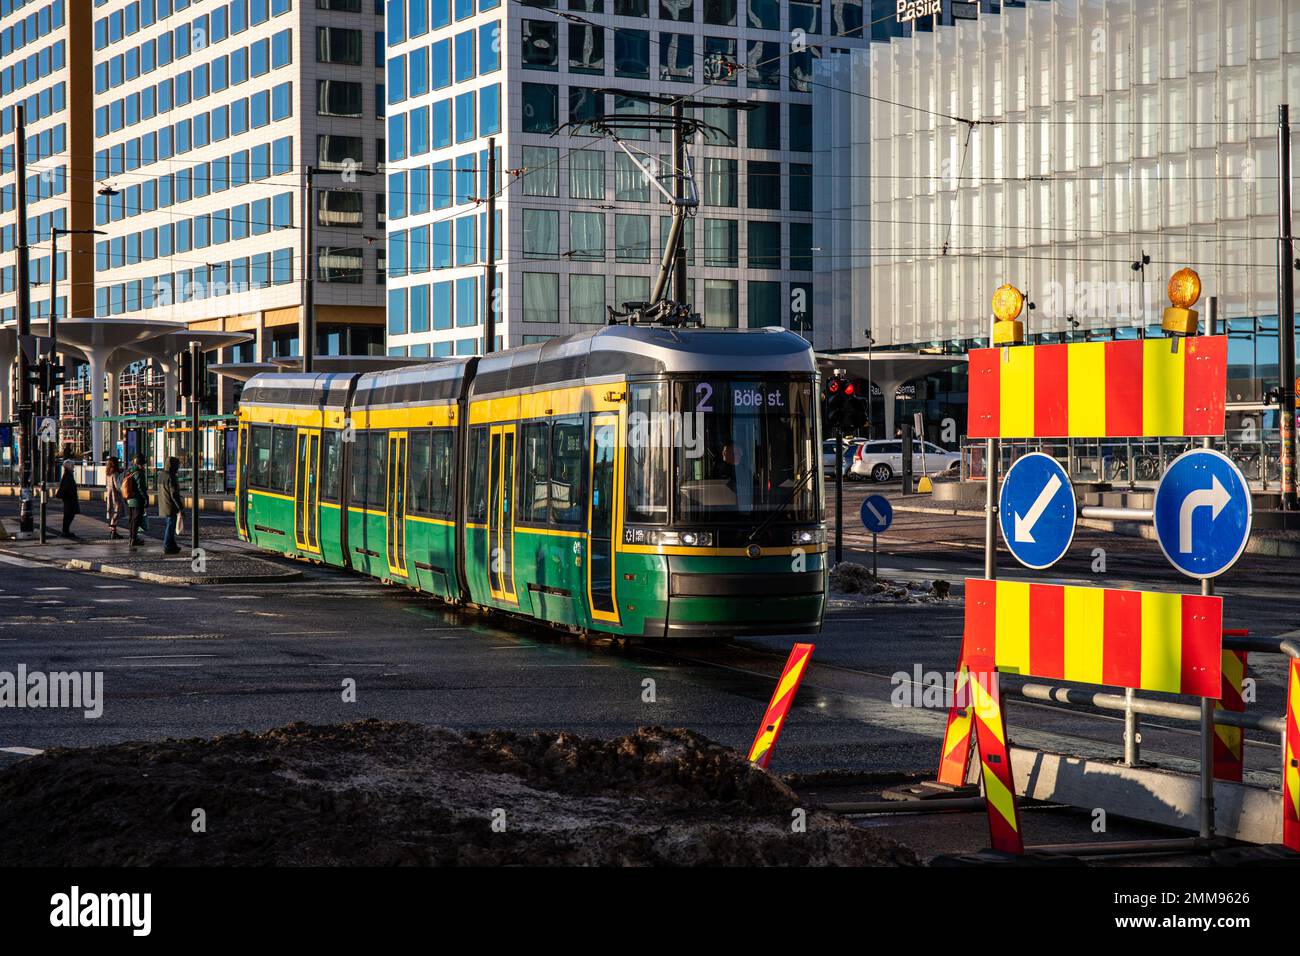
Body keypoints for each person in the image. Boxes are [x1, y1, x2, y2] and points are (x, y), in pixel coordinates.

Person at [122, 454, 148, 547]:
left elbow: (120, 480)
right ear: (139, 463)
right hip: (137, 500)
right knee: (136, 520)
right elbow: (141, 488)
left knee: (132, 520)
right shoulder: (139, 473)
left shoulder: (128, 471)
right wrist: (146, 498)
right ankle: (134, 539)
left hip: (129, 499)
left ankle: (131, 538)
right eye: (143, 464)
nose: (144, 466)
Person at [159, 457, 183, 555]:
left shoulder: (161, 475)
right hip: (170, 505)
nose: (178, 467)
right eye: (177, 465)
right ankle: (167, 546)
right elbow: (174, 494)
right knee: (170, 526)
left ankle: (172, 545)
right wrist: (180, 506)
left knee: (170, 525)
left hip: (164, 503)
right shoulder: (171, 476)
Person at [55, 460, 80, 539]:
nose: (73, 467)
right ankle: (65, 531)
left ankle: (65, 531)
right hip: (69, 498)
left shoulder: (68, 475)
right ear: (69, 467)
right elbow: (66, 487)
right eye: (72, 466)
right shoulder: (68, 475)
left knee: (69, 514)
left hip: (69, 498)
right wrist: (71, 494)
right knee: (69, 514)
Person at [104, 457, 126, 540]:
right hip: (115, 495)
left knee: (113, 512)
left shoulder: (108, 472)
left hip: (109, 494)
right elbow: (117, 486)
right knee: (116, 513)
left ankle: (113, 531)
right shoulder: (115, 473)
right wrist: (123, 491)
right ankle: (113, 532)